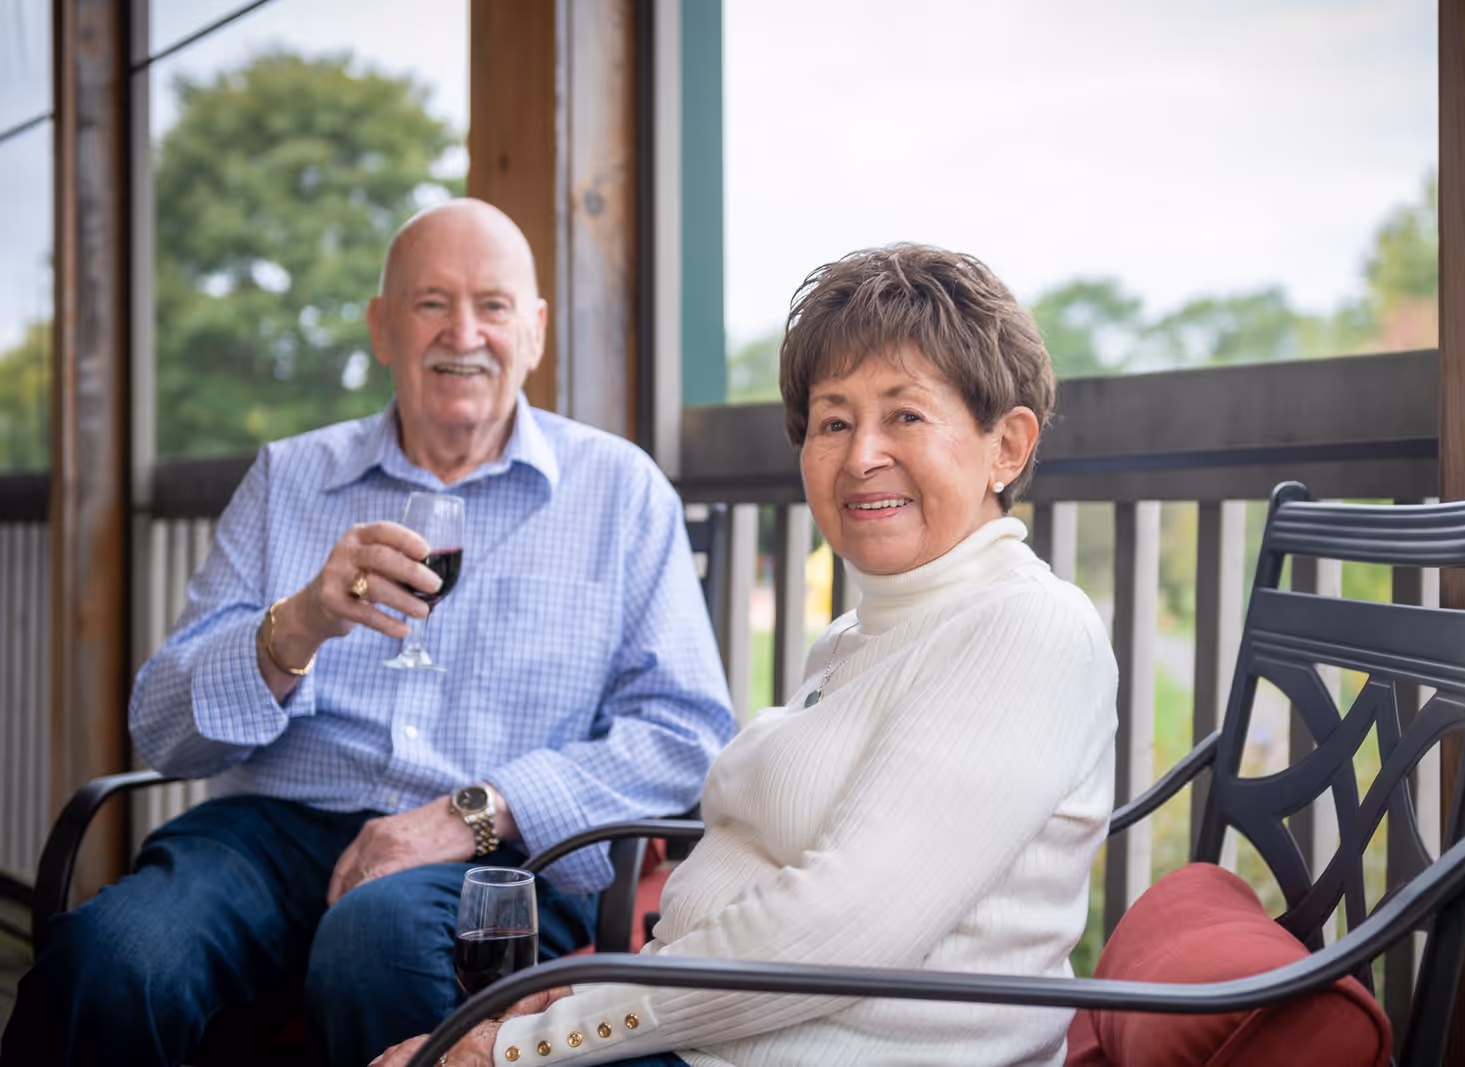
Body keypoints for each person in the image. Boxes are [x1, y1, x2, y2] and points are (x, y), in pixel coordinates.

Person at [1, 199, 736, 1067]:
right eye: (430, 302)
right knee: (109, 961)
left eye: (492, 305)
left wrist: (480, 810)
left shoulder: (619, 490)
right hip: (272, 835)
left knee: (377, 936)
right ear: (381, 326)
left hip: (497, 860)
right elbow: (159, 726)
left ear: (533, 332)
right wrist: (300, 621)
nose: (462, 331)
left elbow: (686, 734)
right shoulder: (289, 478)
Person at [374, 243, 1119, 1067]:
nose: (861, 452)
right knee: (385, 962)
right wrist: (589, 997)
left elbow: (840, 928)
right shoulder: (858, 634)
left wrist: (523, 1047)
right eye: (834, 420)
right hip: (716, 1038)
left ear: (1006, 446)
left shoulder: (1028, 627)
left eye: (904, 414)